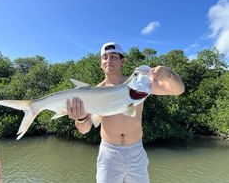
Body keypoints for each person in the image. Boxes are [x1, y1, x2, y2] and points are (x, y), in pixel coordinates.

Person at [66, 42, 185, 183]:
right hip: (109, 153)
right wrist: (80, 118)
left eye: (113, 56)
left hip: (136, 151)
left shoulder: (139, 84)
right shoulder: (94, 92)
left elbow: (178, 90)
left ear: (122, 61)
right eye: (105, 57)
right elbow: (84, 130)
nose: (109, 60)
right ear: (100, 63)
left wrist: (170, 75)